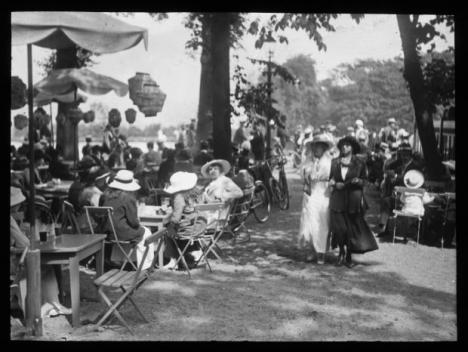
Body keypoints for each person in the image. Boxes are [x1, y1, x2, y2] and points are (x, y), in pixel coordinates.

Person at [10, 187, 72, 318]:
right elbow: (22, 243)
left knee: (47, 266)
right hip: (18, 258)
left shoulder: (41, 222)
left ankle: (50, 302)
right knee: (40, 266)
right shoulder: (18, 222)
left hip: (27, 253)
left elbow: (26, 243)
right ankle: (42, 305)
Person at [329, 136, 378, 268]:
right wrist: (333, 183)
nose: (344, 147)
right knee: (340, 229)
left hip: (353, 199)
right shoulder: (334, 162)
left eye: (347, 145)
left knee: (351, 228)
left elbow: (365, 181)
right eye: (343, 145)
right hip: (338, 198)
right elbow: (331, 179)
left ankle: (349, 255)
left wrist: (358, 181)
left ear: (352, 148)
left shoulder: (359, 163)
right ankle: (341, 252)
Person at [100, 170, 155, 270]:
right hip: (121, 234)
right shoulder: (128, 198)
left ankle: (122, 260)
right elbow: (133, 222)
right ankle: (145, 264)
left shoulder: (105, 195)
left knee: (132, 231)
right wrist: (139, 225)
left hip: (108, 233)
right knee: (146, 232)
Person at [298, 135, 333, 265]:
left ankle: (321, 252)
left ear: (324, 147)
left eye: (319, 146)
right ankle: (312, 250)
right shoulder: (308, 161)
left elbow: (332, 176)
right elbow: (302, 174)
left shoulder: (329, 162)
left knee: (323, 223)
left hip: (324, 194)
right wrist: (306, 175)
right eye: (315, 146)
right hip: (310, 194)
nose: (316, 148)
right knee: (309, 221)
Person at [162, 171, 204, 269]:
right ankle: (192, 252)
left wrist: (167, 223)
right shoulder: (195, 194)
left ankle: (172, 259)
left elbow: (176, 219)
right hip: (199, 226)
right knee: (170, 227)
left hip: (188, 229)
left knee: (166, 230)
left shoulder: (178, 197)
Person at [201, 159, 243, 224]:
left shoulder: (224, 180)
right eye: (210, 169)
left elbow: (239, 193)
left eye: (215, 169)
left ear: (220, 171)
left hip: (218, 214)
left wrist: (225, 196)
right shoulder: (210, 182)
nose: (213, 171)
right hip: (208, 210)